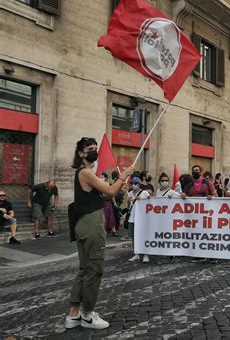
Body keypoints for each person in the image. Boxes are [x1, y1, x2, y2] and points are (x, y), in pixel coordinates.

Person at [65, 137, 134, 330]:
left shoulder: (85, 173)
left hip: (84, 223)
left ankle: (73, 314)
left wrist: (120, 186)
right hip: (91, 224)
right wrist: (124, 175)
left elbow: (104, 194)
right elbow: (110, 192)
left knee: (84, 269)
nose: (94, 151)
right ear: (81, 153)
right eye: (90, 149)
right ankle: (87, 314)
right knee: (94, 269)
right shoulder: (86, 172)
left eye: (96, 148)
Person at [128, 176, 151, 263]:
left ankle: (145, 254)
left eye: (136, 183)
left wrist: (143, 199)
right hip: (132, 218)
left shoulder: (144, 193)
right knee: (134, 236)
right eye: (132, 183)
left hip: (142, 218)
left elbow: (150, 202)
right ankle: (136, 253)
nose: (134, 185)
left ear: (139, 184)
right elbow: (129, 204)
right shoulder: (130, 193)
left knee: (143, 235)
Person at [100, 172, 119, 237]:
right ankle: (103, 232)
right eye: (100, 177)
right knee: (103, 217)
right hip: (102, 202)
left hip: (108, 202)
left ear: (105, 178)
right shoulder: (99, 185)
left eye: (102, 177)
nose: (100, 178)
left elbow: (112, 194)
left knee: (111, 216)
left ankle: (114, 231)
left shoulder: (109, 184)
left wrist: (115, 203)